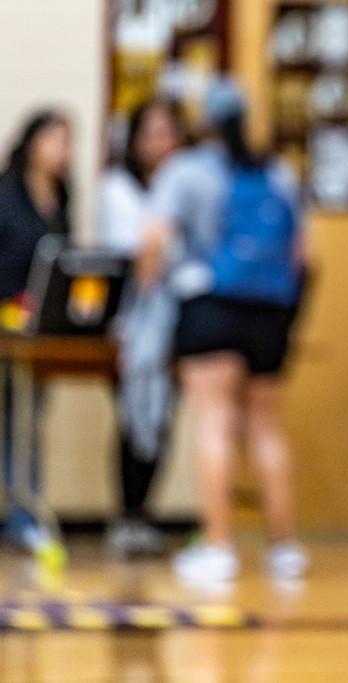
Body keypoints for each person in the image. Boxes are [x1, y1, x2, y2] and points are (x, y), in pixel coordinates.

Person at [138, 78, 308, 582]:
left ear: (203, 121)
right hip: (270, 312)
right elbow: (305, 255)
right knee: (264, 426)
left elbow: (153, 242)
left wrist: (148, 299)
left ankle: (218, 546)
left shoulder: (186, 170)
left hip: (210, 306)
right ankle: (286, 549)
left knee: (213, 422)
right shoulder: (278, 172)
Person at [97, 99, 186, 558]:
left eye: (169, 132)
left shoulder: (187, 184)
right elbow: (141, 260)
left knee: (164, 419)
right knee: (135, 415)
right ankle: (127, 515)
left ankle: (144, 513)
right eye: (151, 133)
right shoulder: (118, 187)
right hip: (133, 319)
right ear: (133, 142)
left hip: (180, 318)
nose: (161, 143)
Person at [0, 110, 74, 550]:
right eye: (56, 139)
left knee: (29, 418)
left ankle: (25, 512)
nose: (63, 150)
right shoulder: (7, 193)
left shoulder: (62, 196)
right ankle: (19, 510)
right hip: (8, 315)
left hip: (41, 325)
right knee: (13, 415)